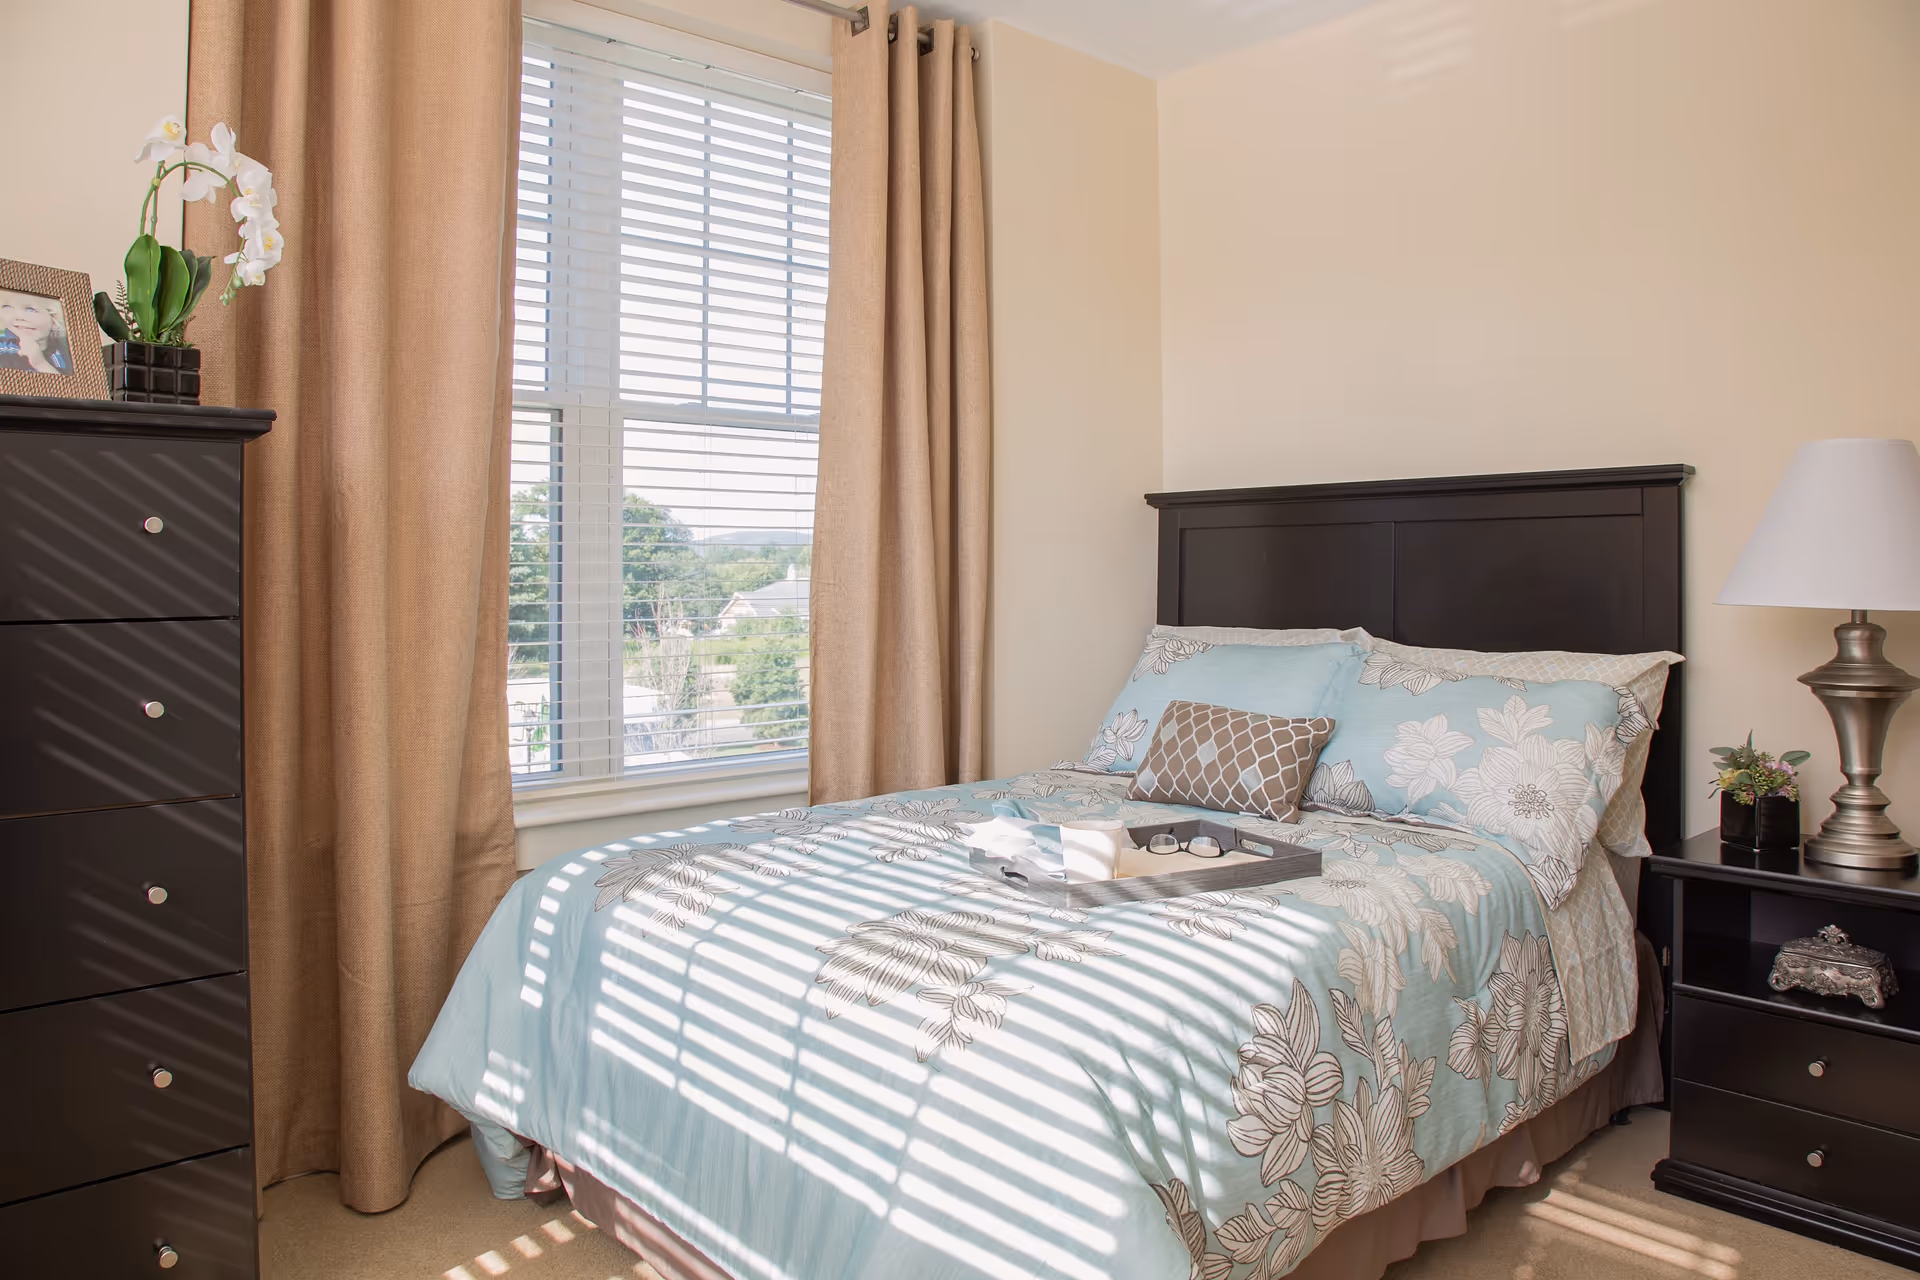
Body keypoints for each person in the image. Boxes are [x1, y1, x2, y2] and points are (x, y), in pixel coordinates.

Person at [0, 291, 75, 376]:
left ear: (54, 320)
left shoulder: (64, 355)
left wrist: (40, 363)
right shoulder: (3, 347)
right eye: (8, 307)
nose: (18, 317)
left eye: (30, 310)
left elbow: (68, 387)